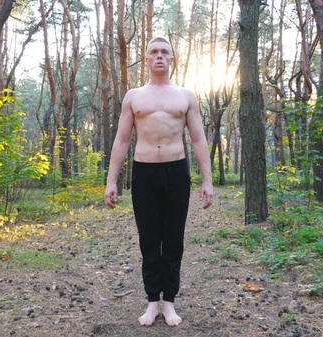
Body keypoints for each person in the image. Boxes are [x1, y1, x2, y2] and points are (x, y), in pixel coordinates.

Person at [104, 36, 214, 327]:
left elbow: (199, 138)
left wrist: (208, 181)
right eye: (154, 52)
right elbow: (122, 140)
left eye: (165, 52)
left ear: (172, 59)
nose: (160, 56)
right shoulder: (134, 96)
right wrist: (111, 180)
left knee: (174, 239)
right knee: (149, 239)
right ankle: (153, 301)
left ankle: (170, 302)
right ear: (147, 59)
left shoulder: (186, 96)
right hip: (144, 173)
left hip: (177, 172)